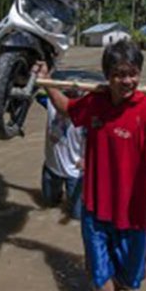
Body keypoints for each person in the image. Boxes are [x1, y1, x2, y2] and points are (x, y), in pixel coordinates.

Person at [35, 39, 146, 291]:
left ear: (139, 74)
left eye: (132, 74)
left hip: (132, 219)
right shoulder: (95, 103)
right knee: (100, 278)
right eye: (118, 74)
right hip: (95, 212)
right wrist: (46, 81)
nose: (126, 81)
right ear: (107, 76)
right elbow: (67, 108)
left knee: (130, 280)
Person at [36, 88, 85, 219]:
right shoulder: (52, 104)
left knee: (77, 216)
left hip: (75, 174)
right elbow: (35, 91)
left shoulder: (87, 117)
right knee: (49, 204)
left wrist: (89, 159)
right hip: (52, 168)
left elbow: (100, 141)